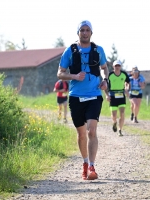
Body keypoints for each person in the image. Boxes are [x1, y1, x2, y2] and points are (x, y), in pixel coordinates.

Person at [57, 20, 108, 180]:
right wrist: (74, 76)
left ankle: (92, 167)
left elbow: (105, 68)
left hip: (94, 95)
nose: (85, 33)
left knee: (91, 131)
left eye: (87, 30)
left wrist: (106, 80)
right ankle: (85, 163)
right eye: (82, 30)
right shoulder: (70, 51)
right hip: (75, 96)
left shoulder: (98, 50)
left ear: (91, 33)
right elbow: (60, 73)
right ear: (78, 33)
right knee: (81, 134)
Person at [105, 60, 130, 136]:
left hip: (121, 95)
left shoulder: (124, 74)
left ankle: (120, 130)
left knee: (122, 113)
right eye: (116, 66)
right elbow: (105, 86)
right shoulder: (110, 75)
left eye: (118, 65)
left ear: (120, 66)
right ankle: (114, 122)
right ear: (113, 66)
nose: (117, 67)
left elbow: (128, 83)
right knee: (114, 114)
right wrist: (107, 95)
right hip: (112, 95)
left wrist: (126, 89)